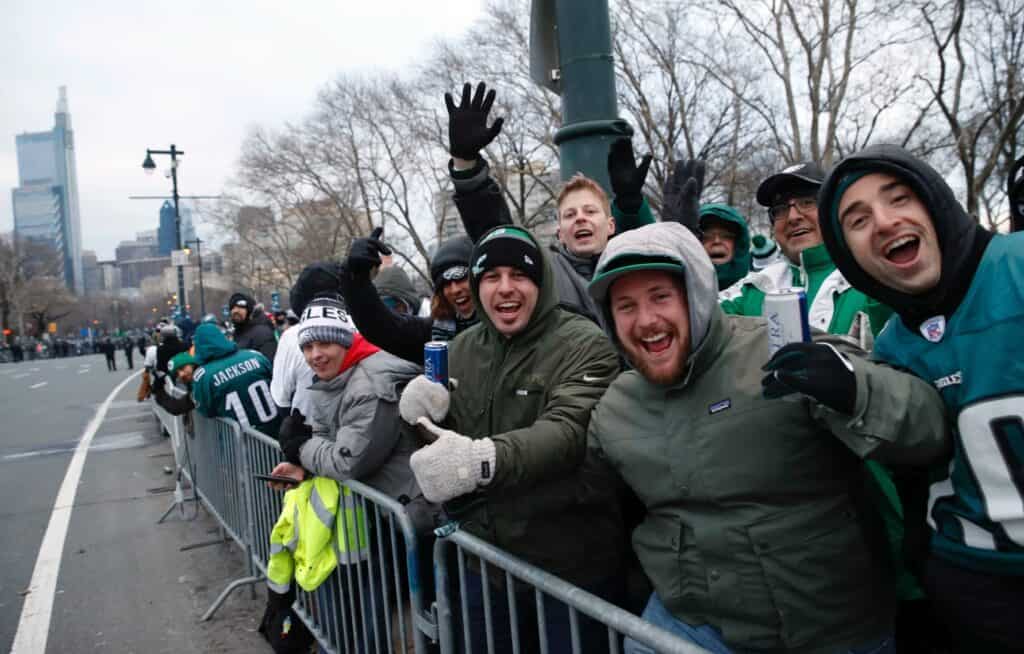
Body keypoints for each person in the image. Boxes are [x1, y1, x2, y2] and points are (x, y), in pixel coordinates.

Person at [584, 221, 950, 654]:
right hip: (696, 626)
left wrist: (855, 389)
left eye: (661, 297)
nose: (646, 321)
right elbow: (583, 494)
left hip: (832, 629)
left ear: (698, 295)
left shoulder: (781, 349)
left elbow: (929, 427)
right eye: (625, 306)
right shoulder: (615, 409)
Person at [817, 144, 1024, 653]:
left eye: (899, 198)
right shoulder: (892, 348)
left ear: (936, 203)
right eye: (857, 219)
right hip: (975, 585)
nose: (884, 222)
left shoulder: (1017, 266)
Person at [402, 224, 624, 653]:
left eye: (519, 275)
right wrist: (414, 419)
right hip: (484, 566)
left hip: (569, 572)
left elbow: (568, 431)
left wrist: (482, 460)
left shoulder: (584, 343)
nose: (505, 289)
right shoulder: (462, 347)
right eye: (490, 277)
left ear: (540, 282)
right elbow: (439, 449)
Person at [443, 82, 655, 323]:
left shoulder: (633, 266)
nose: (580, 218)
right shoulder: (545, 273)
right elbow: (495, 231)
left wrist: (631, 206)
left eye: (590, 211)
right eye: (570, 214)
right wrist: (465, 163)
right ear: (560, 233)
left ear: (610, 225)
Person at [269, 294, 438, 531]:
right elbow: (334, 440)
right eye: (307, 347)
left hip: (410, 515)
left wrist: (301, 447)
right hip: (386, 510)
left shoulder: (368, 386)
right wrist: (304, 467)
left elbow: (346, 461)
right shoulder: (336, 376)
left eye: (325, 343)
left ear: (346, 343)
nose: (315, 355)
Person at [720, 161, 892, 339]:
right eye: (780, 209)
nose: (793, 217)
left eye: (807, 202)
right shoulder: (752, 288)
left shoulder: (876, 277)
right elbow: (700, 325)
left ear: (834, 210)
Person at [337, 231, 477, 364]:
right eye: (445, 284)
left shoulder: (498, 326)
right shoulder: (433, 334)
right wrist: (356, 277)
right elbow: (382, 327)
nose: (455, 290)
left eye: (461, 278)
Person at [190, 323, 281, 437]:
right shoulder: (255, 356)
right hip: (275, 433)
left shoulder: (204, 376)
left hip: (237, 443)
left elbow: (205, 410)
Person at [697, 204, 751, 290]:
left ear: (738, 245)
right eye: (707, 236)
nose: (717, 241)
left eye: (726, 236)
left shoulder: (758, 293)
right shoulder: (679, 290)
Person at [227, 292, 278, 360]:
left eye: (240, 307)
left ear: (250, 310)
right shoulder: (236, 333)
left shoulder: (262, 333)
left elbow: (268, 364)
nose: (235, 310)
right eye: (232, 307)